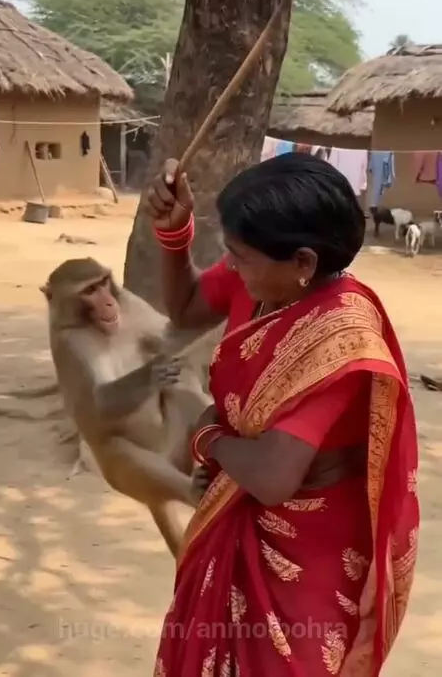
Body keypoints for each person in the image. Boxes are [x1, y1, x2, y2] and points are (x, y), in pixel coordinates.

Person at [146, 152, 419, 677]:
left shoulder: (338, 336)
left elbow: (273, 477)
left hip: (305, 555)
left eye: (241, 257)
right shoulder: (260, 280)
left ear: (303, 264)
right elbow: (186, 309)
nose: (231, 266)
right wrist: (173, 234)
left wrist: (209, 437)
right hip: (237, 520)